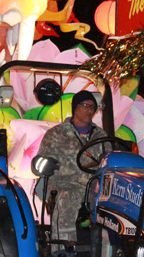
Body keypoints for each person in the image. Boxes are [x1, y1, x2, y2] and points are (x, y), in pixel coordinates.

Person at [36, 90, 109, 242]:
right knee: (66, 198)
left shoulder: (101, 136)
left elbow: (109, 161)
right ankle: (62, 248)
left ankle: (109, 248)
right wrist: (44, 165)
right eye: (85, 105)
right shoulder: (56, 134)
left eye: (92, 107)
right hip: (66, 185)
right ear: (75, 107)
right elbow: (41, 162)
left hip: (95, 187)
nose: (89, 110)